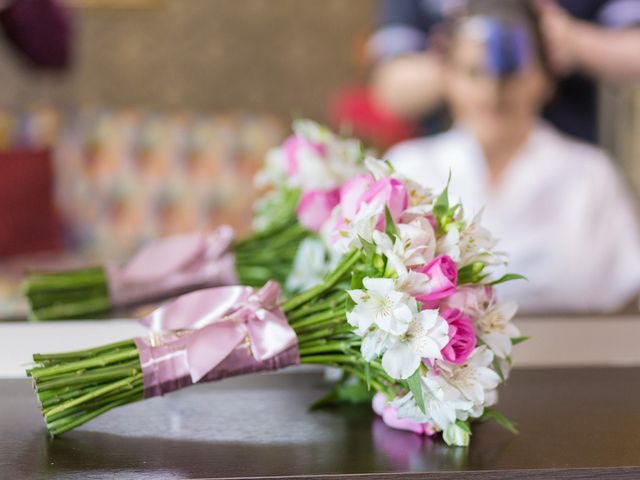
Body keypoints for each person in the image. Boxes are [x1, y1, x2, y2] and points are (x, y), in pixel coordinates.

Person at [386, 0, 640, 313]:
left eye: (512, 72)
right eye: (474, 72)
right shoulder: (409, 169)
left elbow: (629, 296)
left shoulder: (589, 174)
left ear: (546, 79)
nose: (493, 91)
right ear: (447, 76)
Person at [369, 0, 640, 143]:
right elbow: (391, 88)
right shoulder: (418, 166)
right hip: (452, 167)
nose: (494, 88)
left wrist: (574, 43)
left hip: (566, 163)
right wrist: (462, 59)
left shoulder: (590, 183)